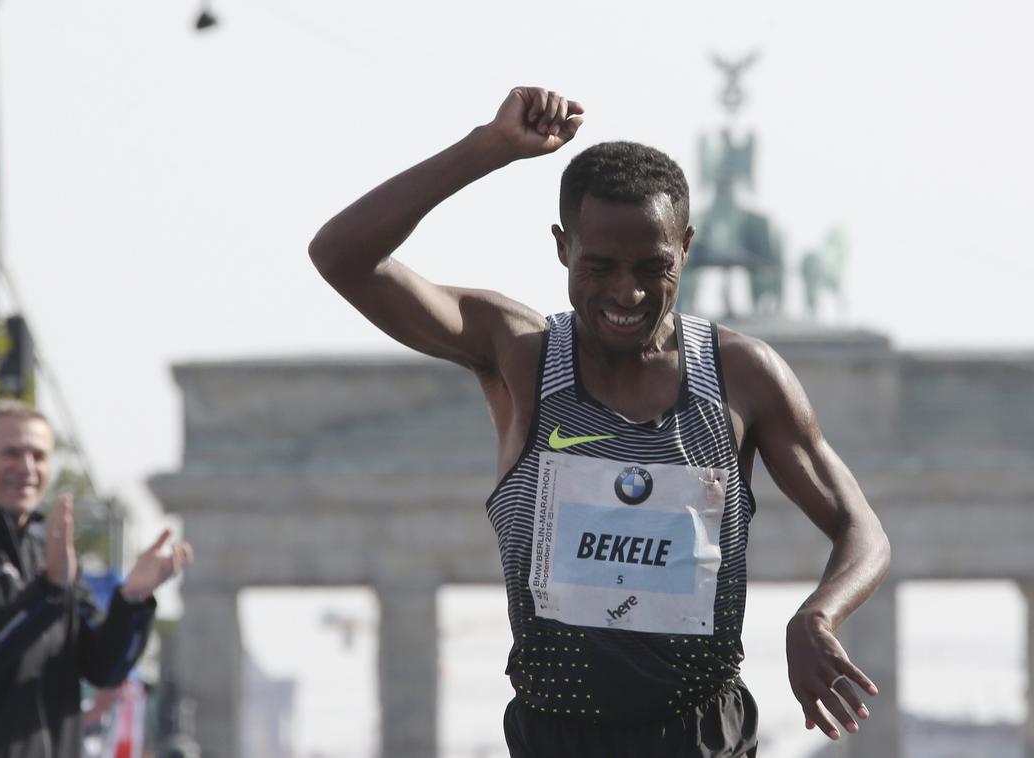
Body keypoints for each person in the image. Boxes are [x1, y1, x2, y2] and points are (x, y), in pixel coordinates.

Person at [309, 87, 890, 757]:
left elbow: (862, 529)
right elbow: (342, 257)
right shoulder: (519, 353)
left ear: (688, 248)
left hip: (701, 736)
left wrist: (818, 615)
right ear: (562, 248)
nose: (627, 293)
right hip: (556, 737)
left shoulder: (742, 374)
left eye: (653, 268)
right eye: (599, 266)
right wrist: (487, 148)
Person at [0, 400, 193, 758]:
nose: (26, 468)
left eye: (38, 456)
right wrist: (47, 591)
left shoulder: (50, 554)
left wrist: (131, 600)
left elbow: (104, 669)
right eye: (12, 453)